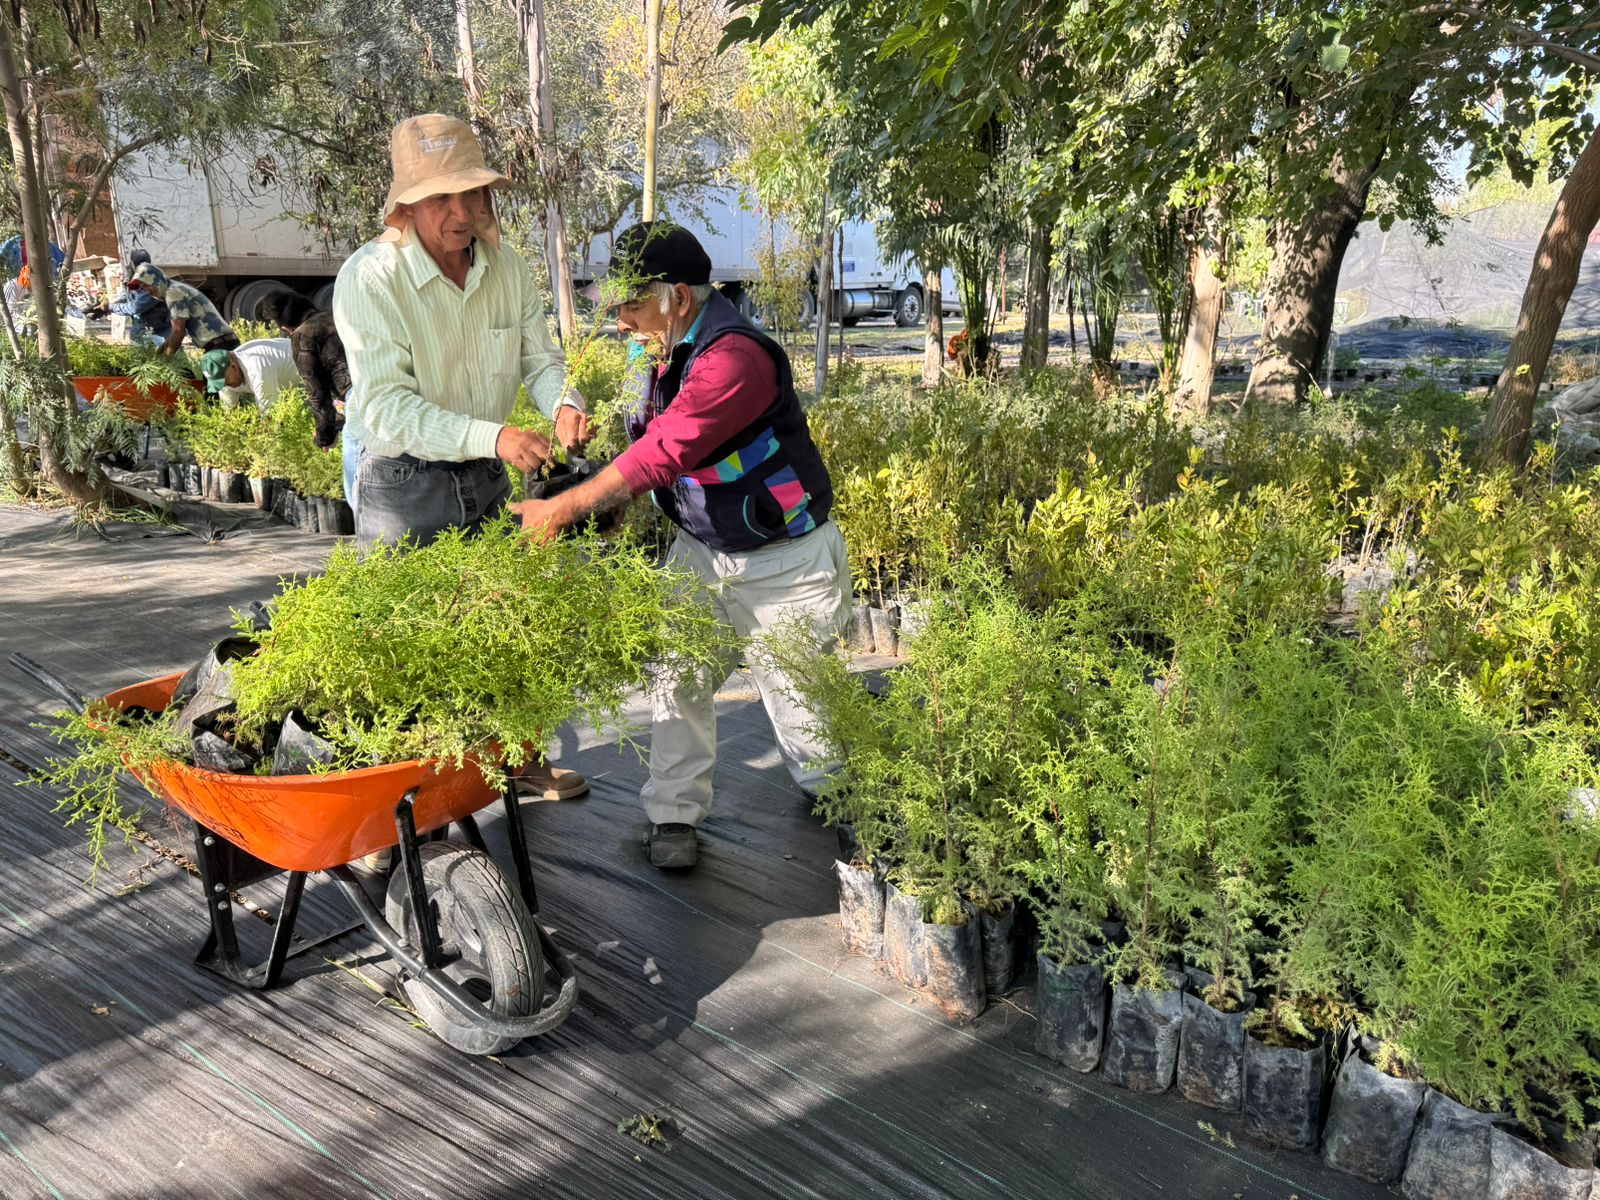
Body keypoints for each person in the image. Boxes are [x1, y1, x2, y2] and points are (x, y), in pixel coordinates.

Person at [511, 222, 851, 870]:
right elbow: (654, 451)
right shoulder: (664, 350)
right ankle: (673, 813)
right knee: (675, 677)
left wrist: (564, 507)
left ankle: (847, 808)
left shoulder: (735, 358)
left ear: (677, 297)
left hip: (785, 565)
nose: (621, 321)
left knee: (811, 731)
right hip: (703, 552)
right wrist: (610, 500)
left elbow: (670, 448)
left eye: (629, 306)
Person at [333, 112, 592, 803]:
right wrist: (497, 438)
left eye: (471, 195)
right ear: (405, 205)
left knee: (507, 620)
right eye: (441, 198)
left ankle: (517, 756)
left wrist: (564, 399)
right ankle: (410, 797)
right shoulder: (371, 277)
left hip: (483, 465)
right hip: (400, 475)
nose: (460, 212)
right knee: (410, 640)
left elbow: (539, 359)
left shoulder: (506, 267)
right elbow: (386, 407)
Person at [126, 262, 239, 357]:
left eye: (146, 286)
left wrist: (166, 360)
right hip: (222, 343)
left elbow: (179, 332)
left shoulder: (173, 293)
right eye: (142, 288)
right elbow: (176, 333)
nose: (147, 292)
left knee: (212, 383)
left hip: (221, 346)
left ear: (156, 280)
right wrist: (159, 353)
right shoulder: (174, 288)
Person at [108, 251, 172, 347]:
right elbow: (126, 294)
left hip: (159, 329)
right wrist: (111, 303)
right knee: (139, 358)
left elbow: (136, 308)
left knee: (169, 358)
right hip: (139, 326)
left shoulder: (153, 280)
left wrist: (110, 307)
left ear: (132, 263)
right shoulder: (132, 275)